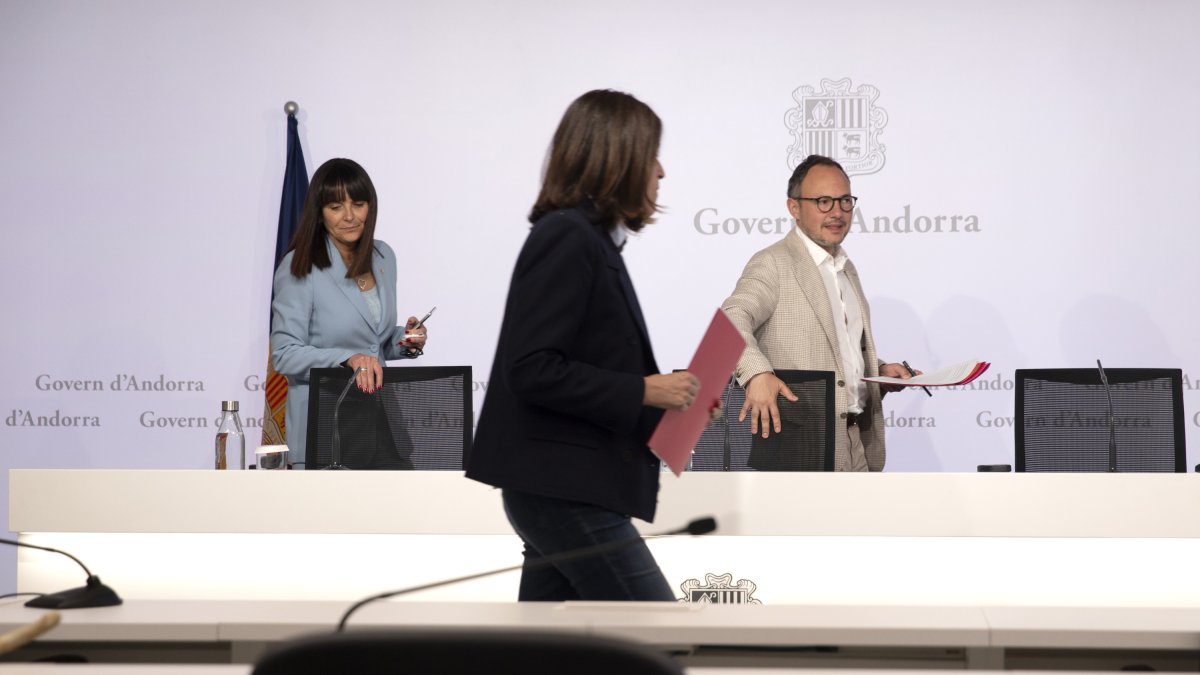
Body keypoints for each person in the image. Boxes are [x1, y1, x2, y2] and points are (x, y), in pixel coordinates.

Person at [466, 90, 699, 602]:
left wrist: (672, 393)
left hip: (566, 486)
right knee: (656, 629)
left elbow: (585, 365)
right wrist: (643, 391)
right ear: (619, 161)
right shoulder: (567, 237)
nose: (661, 172)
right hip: (563, 490)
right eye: (651, 156)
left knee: (549, 649)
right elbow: (530, 368)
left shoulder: (589, 240)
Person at [720, 154, 914, 472]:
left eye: (845, 201)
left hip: (857, 447)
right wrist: (756, 374)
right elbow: (730, 320)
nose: (837, 212)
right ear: (794, 208)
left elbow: (837, 352)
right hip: (800, 448)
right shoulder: (774, 263)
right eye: (823, 201)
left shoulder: (845, 268)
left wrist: (878, 372)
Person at [271, 158, 428, 466]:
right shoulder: (299, 266)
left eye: (358, 204)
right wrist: (346, 358)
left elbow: (373, 342)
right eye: (335, 207)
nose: (349, 217)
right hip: (326, 429)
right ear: (319, 212)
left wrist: (404, 341)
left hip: (382, 425)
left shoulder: (383, 256)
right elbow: (284, 354)